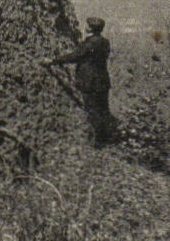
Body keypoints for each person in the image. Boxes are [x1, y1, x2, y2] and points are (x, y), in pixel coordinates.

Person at [46, 17, 118, 145]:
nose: (86, 26)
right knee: (103, 109)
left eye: (87, 25)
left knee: (92, 110)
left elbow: (74, 56)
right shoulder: (105, 42)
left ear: (90, 28)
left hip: (90, 81)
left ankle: (96, 141)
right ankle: (107, 138)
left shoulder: (90, 44)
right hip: (102, 81)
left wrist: (53, 61)